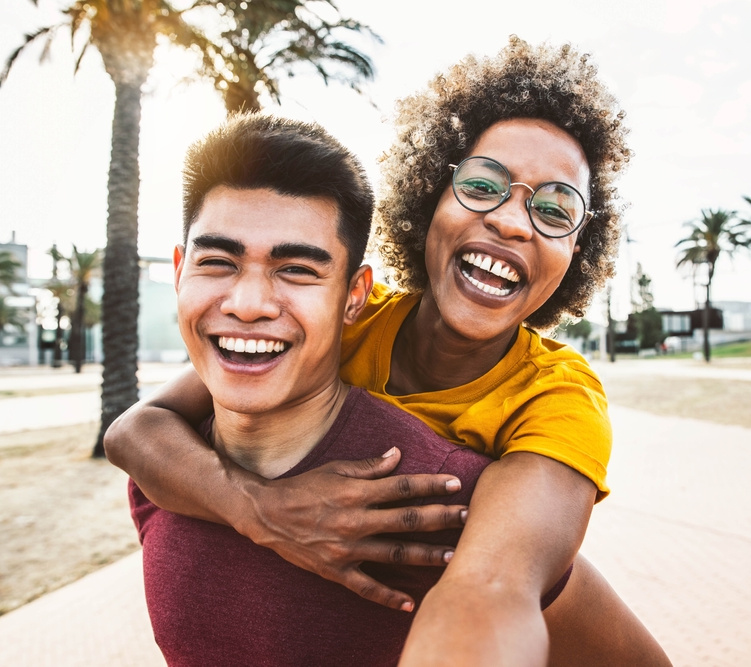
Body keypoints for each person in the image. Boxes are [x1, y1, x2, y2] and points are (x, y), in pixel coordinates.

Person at [108, 37, 670, 666]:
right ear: (430, 197)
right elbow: (136, 431)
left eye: (555, 208)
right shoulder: (343, 320)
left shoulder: (559, 397)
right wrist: (263, 510)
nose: (513, 222)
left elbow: (492, 588)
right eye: (484, 185)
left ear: (577, 254)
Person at [134, 112, 537, 665]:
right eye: (218, 262)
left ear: (354, 297)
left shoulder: (443, 499)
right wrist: (259, 509)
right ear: (180, 272)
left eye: (297, 269)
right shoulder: (163, 470)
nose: (247, 305)